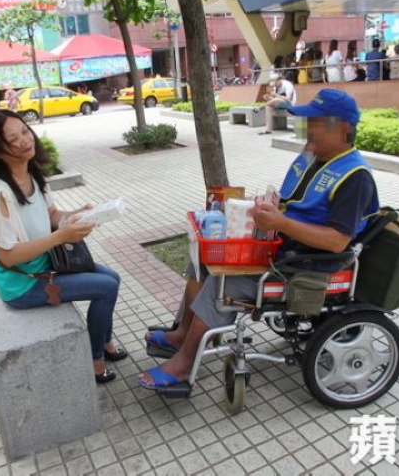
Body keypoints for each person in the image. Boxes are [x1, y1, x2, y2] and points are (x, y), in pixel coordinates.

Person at [138, 89, 380, 390]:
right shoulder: (312, 158)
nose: (305, 129)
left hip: (303, 264)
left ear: (342, 127)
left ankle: (184, 365)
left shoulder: (355, 176)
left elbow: (336, 242)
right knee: (202, 255)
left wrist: (279, 222)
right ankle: (182, 334)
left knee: (221, 281)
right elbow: (289, 203)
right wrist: (265, 208)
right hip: (278, 246)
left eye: (314, 122)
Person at [0, 110, 127, 384]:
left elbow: (52, 215)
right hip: (22, 284)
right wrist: (61, 236)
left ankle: (105, 341)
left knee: (113, 277)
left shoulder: (32, 173)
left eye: (25, 131)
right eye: (11, 139)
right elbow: (9, 256)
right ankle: (95, 359)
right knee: (106, 287)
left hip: (45, 264)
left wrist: (79, 215)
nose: (25, 141)